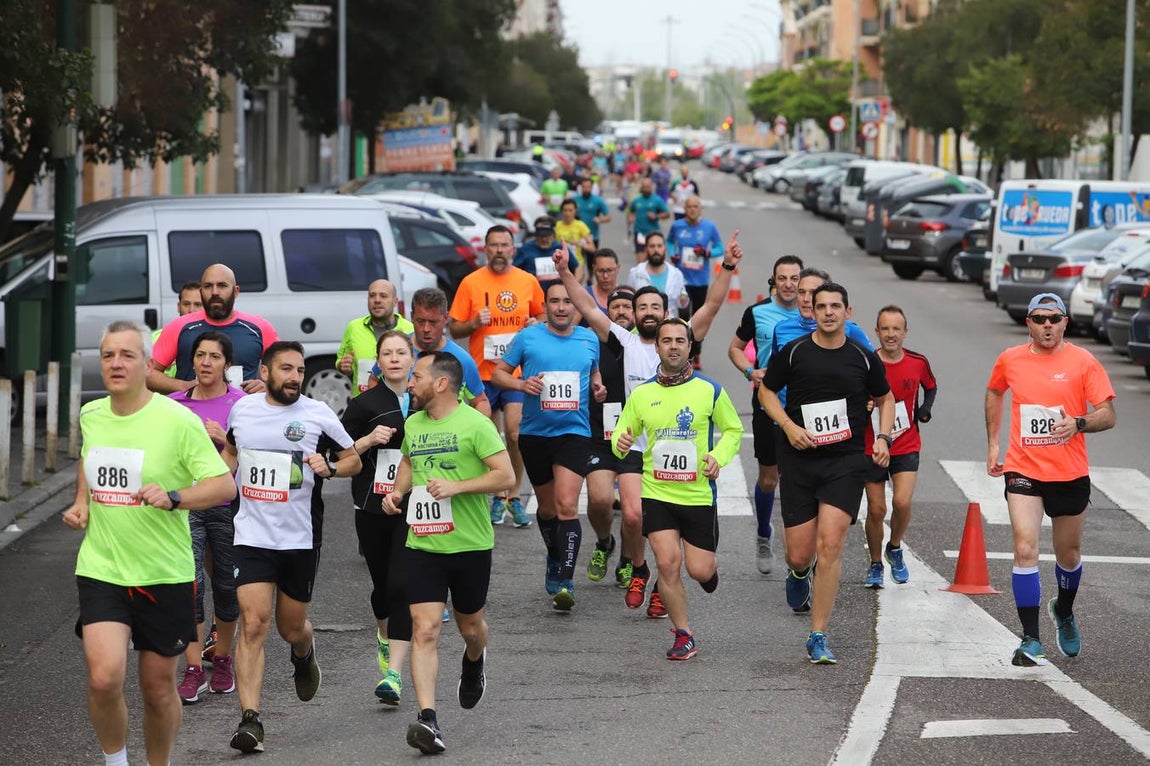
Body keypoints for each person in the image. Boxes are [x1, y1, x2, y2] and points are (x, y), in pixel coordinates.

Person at [63, 321, 235, 766]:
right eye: (108, 355)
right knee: (104, 679)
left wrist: (176, 497)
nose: (116, 363)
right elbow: (89, 459)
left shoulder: (177, 420)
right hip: (103, 567)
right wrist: (82, 502)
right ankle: (115, 761)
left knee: (158, 689)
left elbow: (222, 486)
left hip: (164, 571)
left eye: (127, 355)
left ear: (146, 364)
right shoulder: (92, 414)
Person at [555, 234, 744, 613]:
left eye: (656, 306)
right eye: (642, 307)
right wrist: (564, 272)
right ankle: (638, 568)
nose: (649, 312)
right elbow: (589, 308)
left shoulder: (679, 337)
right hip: (636, 446)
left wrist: (726, 266)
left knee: (675, 544)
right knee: (637, 513)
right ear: (636, 314)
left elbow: (713, 303)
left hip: (677, 452)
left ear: (666, 309)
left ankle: (661, 581)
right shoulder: (624, 340)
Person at [223, 341, 362, 753]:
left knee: (289, 627)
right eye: (286, 369)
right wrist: (215, 479)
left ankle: (304, 650)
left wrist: (331, 467)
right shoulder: (242, 411)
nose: (295, 377)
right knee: (253, 624)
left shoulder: (317, 414)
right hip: (251, 535)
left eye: (300, 370)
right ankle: (251, 720)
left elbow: (352, 457)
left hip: (299, 538)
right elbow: (231, 452)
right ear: (265, 372)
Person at [380, 353, 515, 755]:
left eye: (416, 376)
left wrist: (457, 487)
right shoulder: (414, 423)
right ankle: (428, 719)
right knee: (425, 628)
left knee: (470, 626)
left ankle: (475, 658)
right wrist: (398, 491)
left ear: (440, 384)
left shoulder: (476, 424)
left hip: (470, 544)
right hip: (423, 542)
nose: (409, 382)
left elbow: (505, 476)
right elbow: (407, 461)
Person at [760, 283, 895, 665]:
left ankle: (818, 634)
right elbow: (766, 393)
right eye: (822, 306)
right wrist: (788, 427)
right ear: (813, 312)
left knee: (830, 545)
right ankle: (799, 574)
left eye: (836, 306)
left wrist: (882, 437)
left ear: (848, 312)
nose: (829, 312)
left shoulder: (864, 357)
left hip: (845, 463)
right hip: (800, 459)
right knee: (800, 555)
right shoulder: (796, 352)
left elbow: (885, 398)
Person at [985, 293, 1116, 666]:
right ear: (1028, 322)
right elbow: (995, 391)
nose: (1047, 325)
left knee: (1068, 554)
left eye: (1054, 319)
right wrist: (993, 444)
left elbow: (1107, 414)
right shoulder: (1010, 359)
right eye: (1039, 318)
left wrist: (1078, 423)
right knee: (1025, 548)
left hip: (1069, 473)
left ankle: (1064, 610)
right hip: (1023, 469)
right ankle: (1030, 639)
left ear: (1064, 323)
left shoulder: (1083, 362)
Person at [611, 318, 743, 660]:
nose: (672, 346)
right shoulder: (642, 395)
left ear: (689, 347)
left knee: (698, 569)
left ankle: (708, 572)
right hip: (658, 494)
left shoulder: (710, 390)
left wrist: (717, 457)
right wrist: (621, 443)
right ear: (657, 346)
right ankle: (684, 635)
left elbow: (733, 430)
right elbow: (621, 438)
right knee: (668, 564)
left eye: (679, 341)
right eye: (666, 340)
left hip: (698, 495)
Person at [491, 280, 603, 611]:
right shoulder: (529, 337)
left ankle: (566, 581)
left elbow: (594, 374)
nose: (562, 307)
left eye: (568, 301)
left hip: (575, 433)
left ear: (576, 307)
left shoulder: (589, 338)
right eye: (554, 301)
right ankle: (554, 555)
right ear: (545, 306)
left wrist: (598, 389)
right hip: (536, 433)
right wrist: (520, 383)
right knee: (548, 509)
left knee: (567, 505)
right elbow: (498, 374)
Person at [169, 331, 247, 705]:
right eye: (200, 355)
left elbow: (258, 456)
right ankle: (193, 668)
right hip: (187, 505)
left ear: (227, 365)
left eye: (214, 357)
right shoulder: (173, 405)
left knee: (228, 588)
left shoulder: (243, 405)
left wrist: (226, 439)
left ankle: (223, 659)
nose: (205, 362)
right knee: (191, 584)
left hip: (229, 507)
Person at [450, 225, 545, 527]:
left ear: (513, 249)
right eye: (494, 245)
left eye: (505, 245)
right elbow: (454, 328)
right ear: (486, 249)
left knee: (515, 435)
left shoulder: (527, 281)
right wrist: (474, 322)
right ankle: (495, 496)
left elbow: (543, 315)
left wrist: (534, 322)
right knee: (489, 439)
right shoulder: (471, 283)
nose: (500, 250)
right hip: (482, 374)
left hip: (515, 372)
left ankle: (514, 496)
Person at [341, 331, 416, 704]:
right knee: (384, 586)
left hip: (416, 505)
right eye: (387, 353)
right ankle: (384, 636)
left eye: (401, 352)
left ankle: (394, 674)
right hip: (372, 505)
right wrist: (368, 440)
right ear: (379, 361)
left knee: (403, 584)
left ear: (412, 358)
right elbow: (337, 454)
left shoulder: (425, 400)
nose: (395, 359)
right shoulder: (363, 404)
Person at [728, 255, 804, 574]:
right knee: (769, 479)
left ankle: (797, 549)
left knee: (797, 482)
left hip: (803, 408)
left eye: (794, 278)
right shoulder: (757, 313)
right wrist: (750, 371)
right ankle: (763, 533)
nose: (788, 284)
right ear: (774, 281)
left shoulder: (812, 313)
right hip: (767, 406)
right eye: (782, 278)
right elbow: (734, 348)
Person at [862, 306, 938, 588]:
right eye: (885, 329)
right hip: (871, 445)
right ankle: (874, 563)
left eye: (896, 329)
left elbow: (930, 386)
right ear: (877, 332)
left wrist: (925, 410)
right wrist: (865, 404)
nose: (891, 335)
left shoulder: (918, 362)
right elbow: (853, 393)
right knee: (876, 509)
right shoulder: (868, 362)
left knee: (902, 502)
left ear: (905, 332)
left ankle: (894, 547)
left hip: (906, 441)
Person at [148, 263, 279, 394]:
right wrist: (184, 387)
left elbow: (287, 369)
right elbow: (147, 372)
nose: (215, 292)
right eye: (208, 286)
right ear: (201, 292)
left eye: (222, 286)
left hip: (242, 413)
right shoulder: (180, 326)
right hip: (191, 412)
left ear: (235, 291)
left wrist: (266, 387)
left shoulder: (259, 328)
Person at [583, 287, 637, 583]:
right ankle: (604, 542)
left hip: (637, 439)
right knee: (600, 500)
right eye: (615, 307)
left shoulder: (645, 345)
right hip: (600, 434)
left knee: (632, 510)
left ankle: (628, 560)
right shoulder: (593, 342)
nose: (621, 312)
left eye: (627, 307)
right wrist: (592, 388)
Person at [402, 286, 491, 417]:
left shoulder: (461, 359)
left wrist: (474, 432)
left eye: (433, 322)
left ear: (445, 318)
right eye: (420, 321)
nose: (426, 328)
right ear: (412, 317)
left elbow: (481, 401)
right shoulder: (396, 349)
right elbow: (373, 383)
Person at [667, 196, 724, 367]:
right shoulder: (677, 226)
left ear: (700, 209)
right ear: (684, 208)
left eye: (695, 206)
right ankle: (684, 353)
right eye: (689, 206)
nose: (692, 209)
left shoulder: (709, 227)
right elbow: (669, 242)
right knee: (684, 318)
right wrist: (673, 253)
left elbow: (720, 247)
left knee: (699, 319)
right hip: (682, 280)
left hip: (700, 281)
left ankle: (696, 353)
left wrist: (707, 253)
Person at [337, 279, 415, 397]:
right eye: (372, 296)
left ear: (395, 301)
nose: (377, 300)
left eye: (383, 296)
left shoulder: (410, 329)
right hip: (363, 404)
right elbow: (340, 360)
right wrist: (343, 366)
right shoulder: (353, 327)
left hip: (399, 405)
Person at [628, 232, 689, 319]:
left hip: (668, 325)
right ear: (646, 249)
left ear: (664, 248)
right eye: (652, 246)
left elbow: (682, 304)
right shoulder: (635, 273)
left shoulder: (676, 274)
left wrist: (684, 300)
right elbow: (630, 301)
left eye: (659, 246)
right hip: (644, 323)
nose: (656, 250)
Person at [151, 281, 203, 378]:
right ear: (178, 307)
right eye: (186, 304)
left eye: (198, 305)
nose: (191, 310)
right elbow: (144, 374)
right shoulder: (156, 338)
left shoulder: (214, 338)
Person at [513, 215, 582, 284]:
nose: (544, 239)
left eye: (547, 236)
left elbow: (578, 268)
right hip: (533, 292)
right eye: (541, 236)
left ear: (553, 235)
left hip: (558, 292)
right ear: (536, 236)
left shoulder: (561, 248)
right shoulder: (525, 249)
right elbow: (513, 270)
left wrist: (574, 286)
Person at [627, 178, 671, 258]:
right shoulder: (637, 200)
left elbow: (667, 214)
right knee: (640, 260)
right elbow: (631, 211)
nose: (646, 189)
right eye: (644, 187)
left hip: (653, 233)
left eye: (648, 187)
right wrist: (630, 218)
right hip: (640, 232)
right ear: (641, 188)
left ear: (651, 187)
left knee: (652, 258)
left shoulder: (657, 200)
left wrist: (656, 216)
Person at [554, 199, 596, 278]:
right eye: (565, 210)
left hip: (577, 264)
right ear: (561, 212)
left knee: (576, 288)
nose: (567, 213)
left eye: (570, 210)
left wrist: (579, 243)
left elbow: (592, 248)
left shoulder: (580, 225)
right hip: (561, 265)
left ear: (575, 211)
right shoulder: (556, 226)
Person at [573, 176, 612, 250]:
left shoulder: (598, 201)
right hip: (577, 235)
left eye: (588, 187)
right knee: (578, 260)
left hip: (592, 235)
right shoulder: (575, 199)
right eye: (584, 187)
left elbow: (608, 217)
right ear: (581, 187)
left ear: (592, 188)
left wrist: (600, 219)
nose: (586, 189)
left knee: (591, 260)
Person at [587, 249, 623, 315]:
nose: (605, 276)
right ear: (594, 269)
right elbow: (571, 324)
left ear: (618, 268)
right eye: (601, 271)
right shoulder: (585, 296)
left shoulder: (627, 295)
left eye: (610, 270)